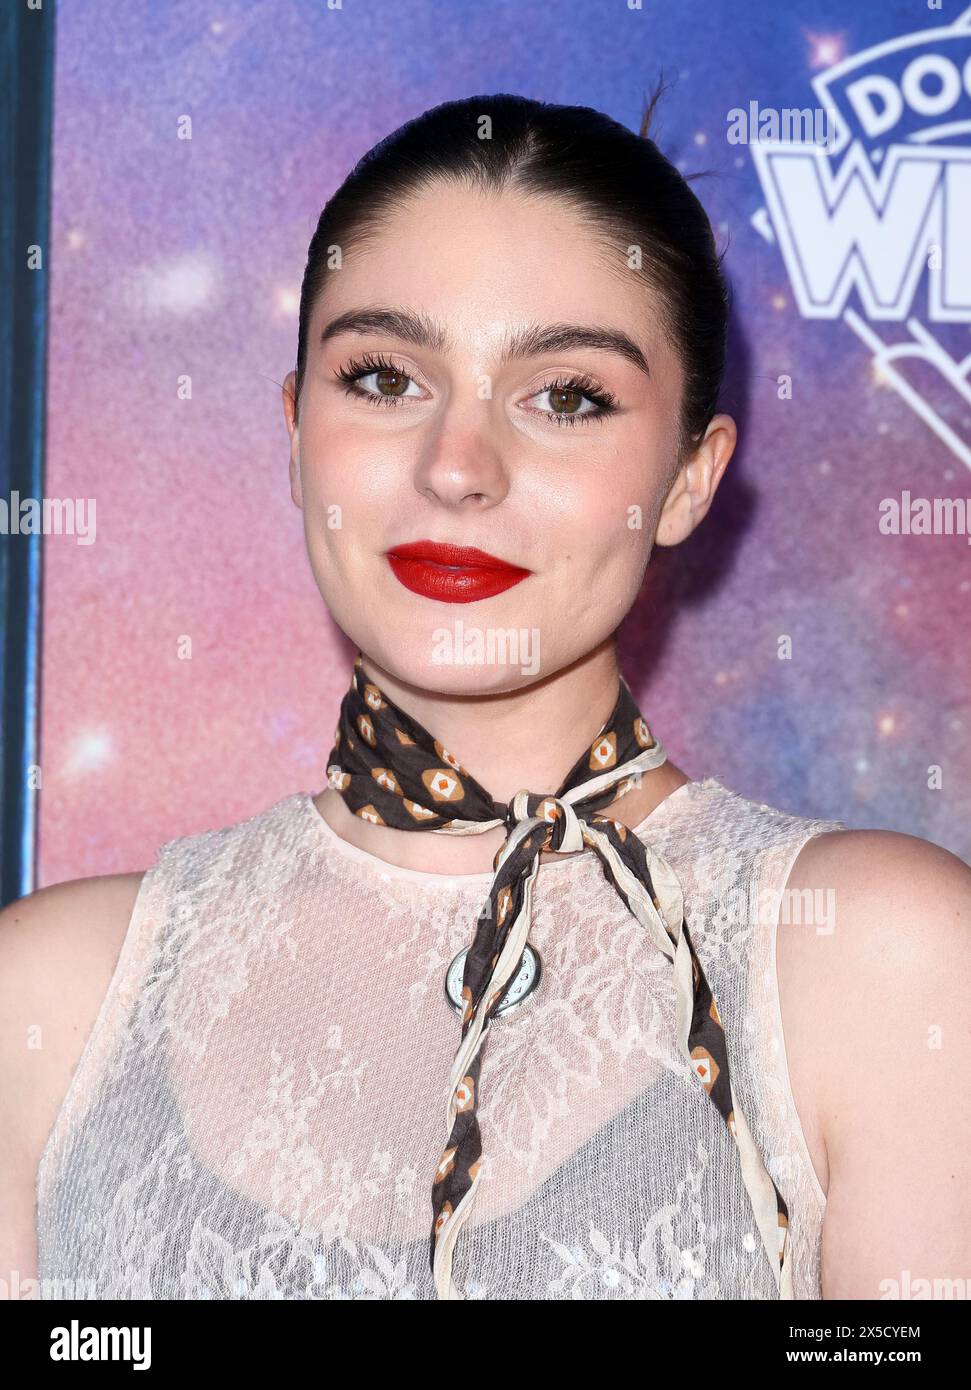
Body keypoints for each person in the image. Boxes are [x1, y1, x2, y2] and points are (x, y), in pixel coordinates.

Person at [2, 91, 969, 1303]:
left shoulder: (881, 957)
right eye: (382, 377)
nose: (456, 466)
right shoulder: (46, 998)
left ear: (688, 476)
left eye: (565, 396)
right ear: (296, 433)